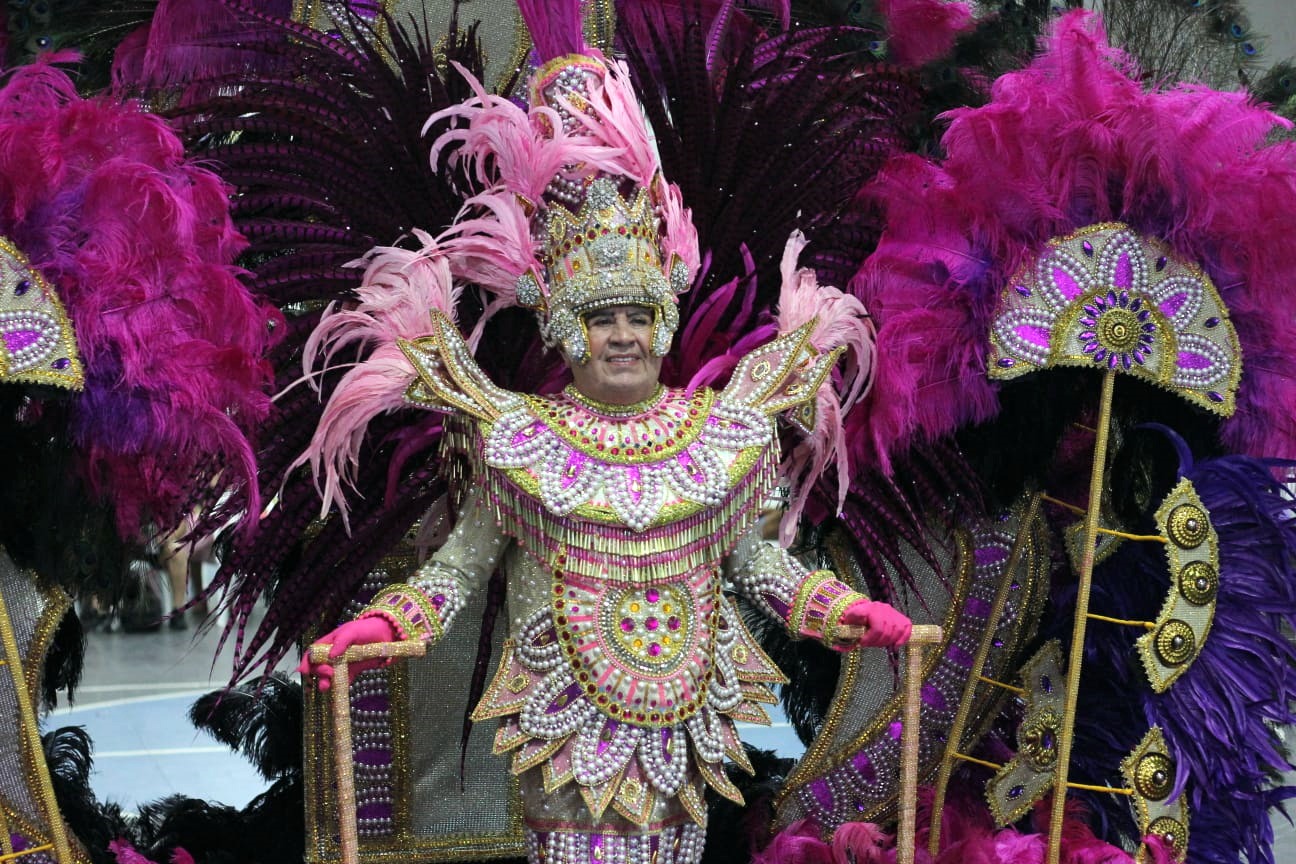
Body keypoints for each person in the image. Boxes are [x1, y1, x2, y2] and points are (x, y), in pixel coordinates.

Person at [297, 47, 911, 864]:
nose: (620, 335)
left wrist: (844, 612)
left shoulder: (723, 434)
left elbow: (756, 563)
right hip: (565, 731)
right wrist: (375, 629)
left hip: (686, 731)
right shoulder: (518, 439)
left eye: (634, 315)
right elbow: (458, 569)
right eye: (600, 317)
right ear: (562, 329)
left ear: (660, 322)